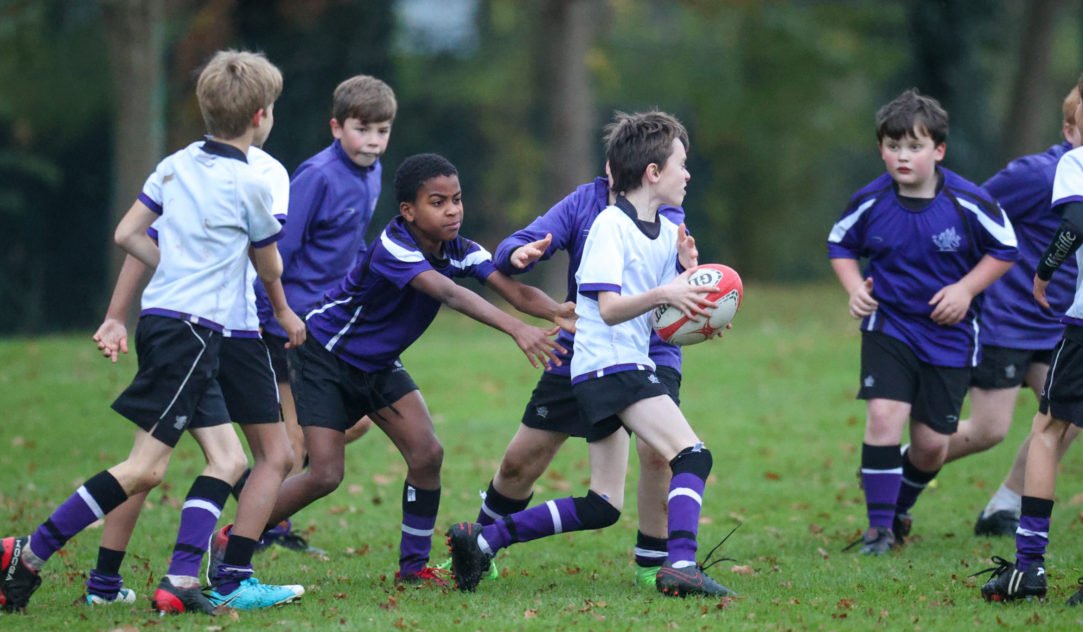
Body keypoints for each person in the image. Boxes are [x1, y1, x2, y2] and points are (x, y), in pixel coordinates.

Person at [0, 49, 288, 614]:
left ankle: (180, 583)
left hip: (167, 324)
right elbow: (269, 266)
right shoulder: (252, 183)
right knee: (144, 468)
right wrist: (274, 301)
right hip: (193, 333)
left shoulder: (175, 165)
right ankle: (26, 553)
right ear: (259, 115)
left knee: (227, 460)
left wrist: (173, 264)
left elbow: (127, 233)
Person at [214, 152, 573, 586]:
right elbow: (449, 294)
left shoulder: (461, 249)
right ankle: (233, 538)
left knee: (427, 454)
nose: (453, 210)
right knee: (325, 474)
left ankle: (413, 570)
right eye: (437, 202)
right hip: (325, 355)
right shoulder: (393, 246)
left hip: (378, 365)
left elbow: (513, 290)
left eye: (456, 199)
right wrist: (517, 330)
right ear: (409, 211)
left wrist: (557, 311)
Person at [446, 110, 735, 599]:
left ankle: (486, 538)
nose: (688, 174)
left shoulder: (665, 230)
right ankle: (680, 564)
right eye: (681, 163)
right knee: (694, 455)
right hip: (609, 366)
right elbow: (611, 308)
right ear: (652, 173)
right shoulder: (607, 225)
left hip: (625, 365)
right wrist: (666, 294)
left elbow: (667, 305)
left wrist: (697, 311)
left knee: (603, 505)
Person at [84, 142, 307, 610]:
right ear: (261, 113)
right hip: (236, 331)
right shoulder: (266, 172)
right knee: (272, 454)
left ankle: (104, 583)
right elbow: (264, 257)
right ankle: (231, 579)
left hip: (178, 326)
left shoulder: (179, 164)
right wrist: (284, 311)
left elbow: (146, 239)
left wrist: (115, 314)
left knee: (147, 462)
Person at [827, 89, 1017, 555]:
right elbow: (840, 244)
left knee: (932, 445)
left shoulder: (967, 201)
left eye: (914, 146)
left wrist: (965, 289)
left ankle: (899, 506)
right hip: (889, 326)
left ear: (939, 150)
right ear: (881, 150)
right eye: (893, 146)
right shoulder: (870, 200)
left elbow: (1005, 250)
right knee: (883, 414)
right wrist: (855, 288)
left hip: (949, 337)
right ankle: (878, 532)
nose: (902, 156)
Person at [980, 59, 1083, 605]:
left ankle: (1028, 569)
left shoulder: (1081, 162)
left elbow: (1077, 224)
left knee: (1047, 432)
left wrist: (1044, 269)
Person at [250, 75, 396, 551]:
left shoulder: (372, 173)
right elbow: (278, 250)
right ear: (337, 127)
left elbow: (352, 242)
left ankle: (260, 500)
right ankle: (259, 531)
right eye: (362, 129)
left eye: (382, 130)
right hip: (288, 323)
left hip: (331, 323)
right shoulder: (315, 177)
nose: (372, 141)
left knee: (356, 422)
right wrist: (271, 311)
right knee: (291, 446)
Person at [936, 88, 1083, 537]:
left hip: (1060, 325)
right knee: (988, 430)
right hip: (1007, 321)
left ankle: (1005, 505)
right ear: (1069, 129)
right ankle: (900, 463)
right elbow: (970, 212)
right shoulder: (1037, 174)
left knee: (1071, 411)